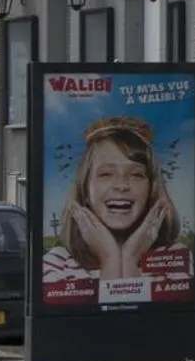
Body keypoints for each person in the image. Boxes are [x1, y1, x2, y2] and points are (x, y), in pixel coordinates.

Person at [41, 116, 183, 291]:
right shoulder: (55, 266)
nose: (121, 186)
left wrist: (129, 259)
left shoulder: (175, 261)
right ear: (85, 188)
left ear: (151, 189)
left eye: (136, 175)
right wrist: (110, 259)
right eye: (106, 174)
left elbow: (143, 318)